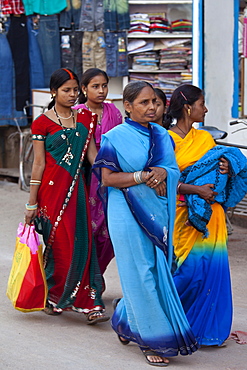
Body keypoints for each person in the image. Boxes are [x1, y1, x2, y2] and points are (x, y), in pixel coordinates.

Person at [93, 81, 199, 366]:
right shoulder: (114, 137)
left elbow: (172, 170)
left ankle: (124, 317)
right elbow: (107, 179)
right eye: (144, 102)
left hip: (158, 213)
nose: (152, 107)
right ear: (127, 106)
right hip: (124, 213)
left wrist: (162, 174)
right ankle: (152, 339)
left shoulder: (163, 136)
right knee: (141, 271)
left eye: (155, 101)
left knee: (156, 268)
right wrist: (143, 177)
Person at [24, 68, 110, 324]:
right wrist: (31, 202)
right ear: (53, 92)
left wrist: (117, 176)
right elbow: (39, 164)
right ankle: (54, 295)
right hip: (51, 194)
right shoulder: (42, 123)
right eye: (66, 90)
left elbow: (93, 157)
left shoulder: (86, 119)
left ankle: (90, 302)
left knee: (83, 243)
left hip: (77, 192)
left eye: (75, 90)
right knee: (60, 247)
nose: (73, 95)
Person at [165, 84, 247, 346]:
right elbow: (161, 181)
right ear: (188, 107)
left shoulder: (205, 139)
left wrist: (225, 168)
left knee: (212, 271)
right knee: (187, 273)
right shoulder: (166, 140)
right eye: (202, 104)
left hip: (213, 214)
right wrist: (194, 189)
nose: (206, 109)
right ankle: (139, 315)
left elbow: (216, 176)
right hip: (182, 215)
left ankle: (203, 330)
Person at [74, 68, 122, 276]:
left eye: (104, 85)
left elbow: (121, 142)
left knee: (109, 232)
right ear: (84, 89)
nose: (101, 91)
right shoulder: (76, 112)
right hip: (84, 176)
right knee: (86, 229)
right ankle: (83, 280)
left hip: (111, 174)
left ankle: (95, 276)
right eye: (95, 86)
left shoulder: (114, 111)